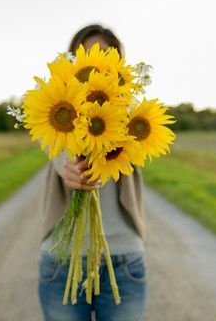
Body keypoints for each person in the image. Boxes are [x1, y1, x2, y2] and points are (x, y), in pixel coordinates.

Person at [37, 24, 147, 321]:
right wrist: (71, 169)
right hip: (62, 258)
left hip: (122, 255)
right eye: (86, 55)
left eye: (105, 56)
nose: (95, 65)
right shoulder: (54, 100)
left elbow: (136, 152)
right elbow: (55, 148)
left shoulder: (131, 108)